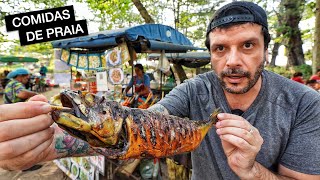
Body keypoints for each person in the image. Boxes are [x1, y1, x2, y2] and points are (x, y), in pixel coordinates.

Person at [0, 2, 319, 179]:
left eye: (247, 45)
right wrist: (51, 146)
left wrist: (250, 170)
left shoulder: (304, 104)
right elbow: (148, 122)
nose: (232, 61)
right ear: (210, 52)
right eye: (220, 49)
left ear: (267, 48)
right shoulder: (195, 90)